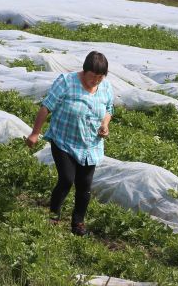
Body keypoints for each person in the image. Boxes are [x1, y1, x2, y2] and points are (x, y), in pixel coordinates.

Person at [26, 51, 113, 236]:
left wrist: (105, 124)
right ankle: (54, 215)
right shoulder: (66, 82)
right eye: (93, 76)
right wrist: (35, 133)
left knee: (84, 186)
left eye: (100, 77)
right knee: (66, 179)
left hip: (90, 144)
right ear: (84, 71)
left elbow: (108, 109)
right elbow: (46, 106)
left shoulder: (105, 87)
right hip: (63, 140)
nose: (96, 81)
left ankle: (78, 223)